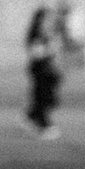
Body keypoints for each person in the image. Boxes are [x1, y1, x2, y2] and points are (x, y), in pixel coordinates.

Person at [24, 7, 62, 135]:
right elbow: (37, 54)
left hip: (49, 69)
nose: (50, 22)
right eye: (47, 19)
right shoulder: (36, 35)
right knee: (42, 97)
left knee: (50, 98)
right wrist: (51, 48)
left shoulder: (48, 34)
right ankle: (42, 125)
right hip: (40, 69)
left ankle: (32, 116)